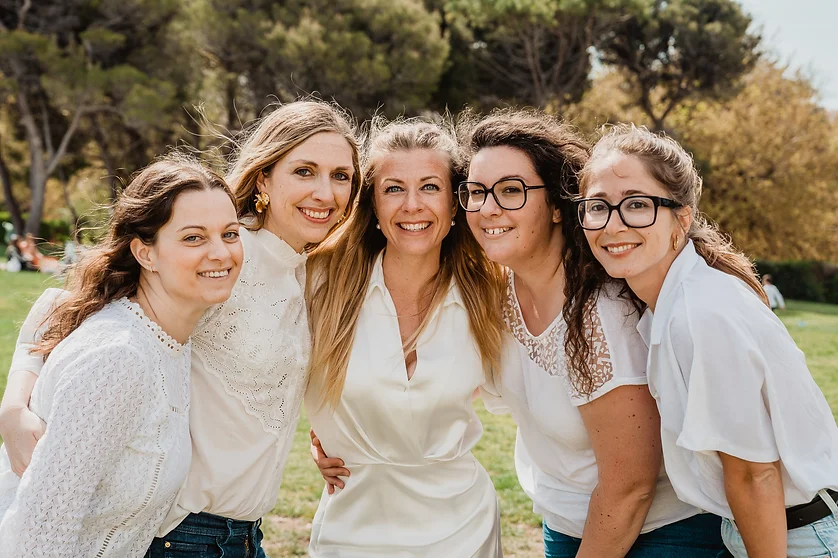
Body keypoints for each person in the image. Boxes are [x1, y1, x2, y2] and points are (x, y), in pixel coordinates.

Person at [0, 100, 362, 557]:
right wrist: (13, 407)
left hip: (247, 536)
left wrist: (323, 438)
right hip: (180, 535)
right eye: (305, 171)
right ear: (265, 176)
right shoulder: (225, 254)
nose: (325, 193)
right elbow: (62, 307)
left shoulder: (310, 270)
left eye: (341, 176)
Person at [458, 109, 727, 557]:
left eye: (511, 191)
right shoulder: (494, 292)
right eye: (476, 192)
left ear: (559, 207)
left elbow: (631, 487)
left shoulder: (604, 311)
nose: (488, 208)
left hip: (663, 533)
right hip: (566, 523)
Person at [576, 123, 838, 557]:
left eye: (637, 204)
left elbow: (755, 476)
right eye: (598, 206)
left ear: (682, 217)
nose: (613, 224)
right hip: (766, 529)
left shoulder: (702, 313)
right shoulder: (675, 302)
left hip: (799, 537)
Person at [0, 157, 243, 557]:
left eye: (230, 234)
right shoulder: (120, 358)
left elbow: (49, 310)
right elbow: (38, 535)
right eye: (194, 238)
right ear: (145, 254)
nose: (221, 252)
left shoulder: (166, 336)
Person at [304, 117, 507, 557]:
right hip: (351, 530)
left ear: (455, 205)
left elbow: (535, 401)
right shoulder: (318, 284)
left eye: (430, 187)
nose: (412, 205)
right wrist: (324, 432)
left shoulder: (493, 294)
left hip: (463, 531)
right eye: (394, 189)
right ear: (372, 206)